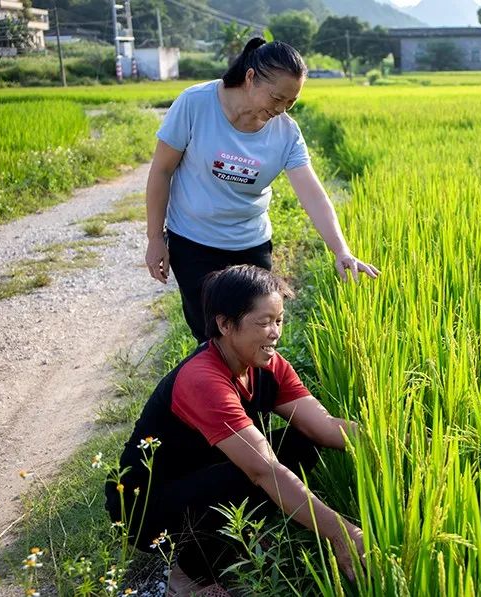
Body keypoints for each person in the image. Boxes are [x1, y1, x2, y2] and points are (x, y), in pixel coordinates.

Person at [105, 265, 365, 595]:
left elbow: (325, 426)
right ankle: (186, 573)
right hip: (147, 506)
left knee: (303, 440)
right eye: (264, 322)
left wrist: (395, 444)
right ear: (225, 324)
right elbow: (263, 470)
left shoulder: (268, 365)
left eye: (279, 320)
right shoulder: (202, 379)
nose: (275, 332)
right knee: (254, 470)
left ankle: (234, 535)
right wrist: (340, 531)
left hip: (207, 474)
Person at [145, 37, 379, 343]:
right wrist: (154, 238)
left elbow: (313, 194)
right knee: (212, 336)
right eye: (276, 98)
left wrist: (341, 249)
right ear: (251, 77)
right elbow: (162, 171)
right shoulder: (196, 103)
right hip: (193, 242)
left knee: (259, 334)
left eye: (290, 102)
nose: (281, 109)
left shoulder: (286, 133)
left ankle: (255, 391)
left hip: (250, 243)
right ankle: (213, 391)